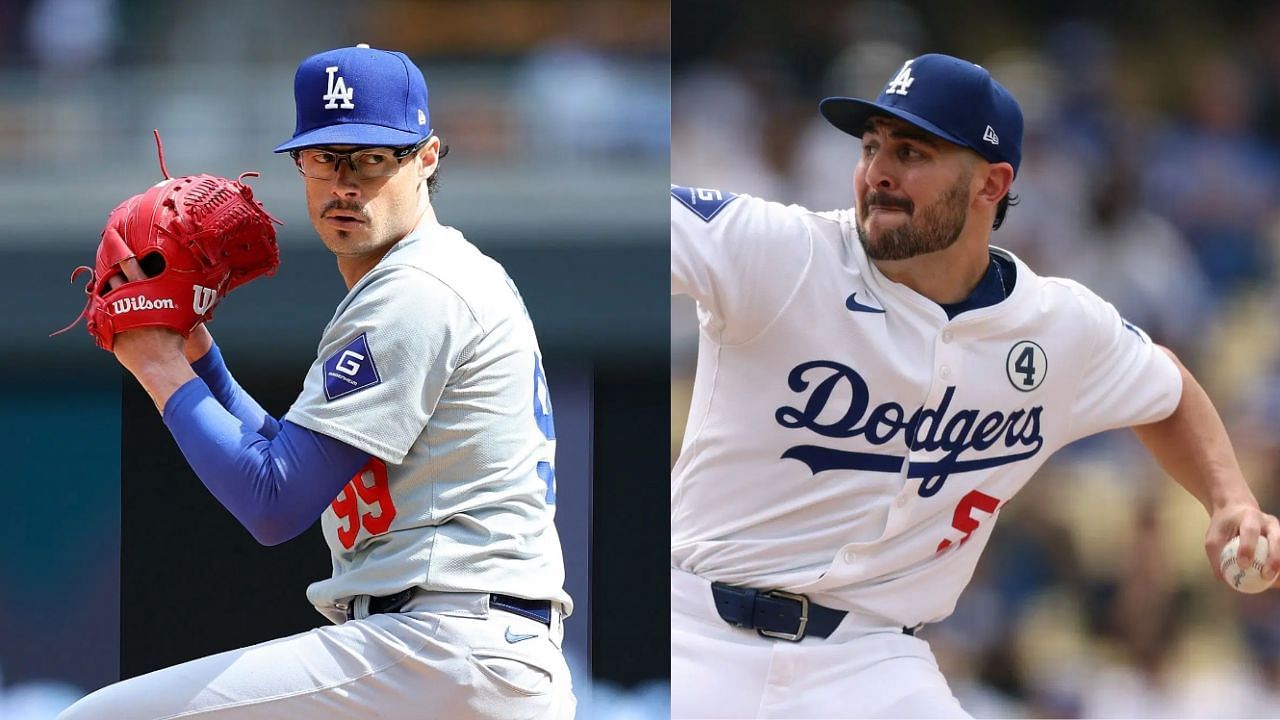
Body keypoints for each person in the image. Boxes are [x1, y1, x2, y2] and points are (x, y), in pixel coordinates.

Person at [669, 53, 1280, 719]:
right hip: (695, 631)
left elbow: (1167, 389)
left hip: (871, 662)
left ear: (992, 183)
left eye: (911, 152)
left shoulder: (1055, 327)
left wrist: (1229, 500)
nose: (878, 172)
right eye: (871, 146)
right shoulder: (780, 250)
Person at [61, 44, 575, 720]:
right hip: (460, 656)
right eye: (324, 158)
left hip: (441, 648)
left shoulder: (416, 291)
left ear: (426, 157)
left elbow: (274, 500)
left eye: (370, 157)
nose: (345, 185)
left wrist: (155, 363)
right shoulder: (429, 275)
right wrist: (196, 357)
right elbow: (295, 456)